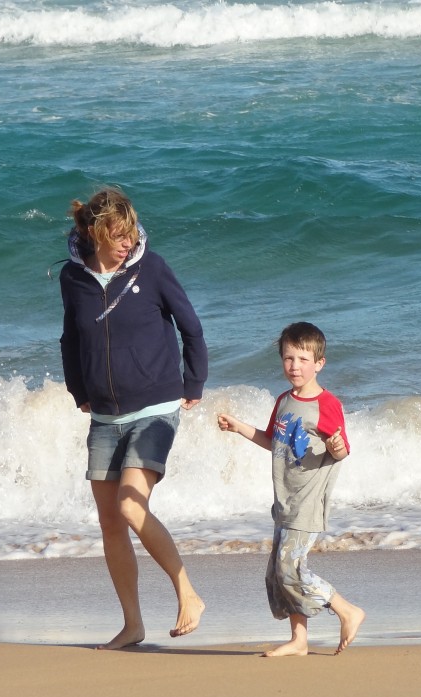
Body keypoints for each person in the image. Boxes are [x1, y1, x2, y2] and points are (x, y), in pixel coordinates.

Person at [59, 186, 207, 649]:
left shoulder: (152, 267)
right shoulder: (73, 277)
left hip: (157, 406)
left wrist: (194, 382)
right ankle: (132, 624)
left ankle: (187, 591)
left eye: (130, 232)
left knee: (129, 504)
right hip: (104, 414)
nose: (128, 241)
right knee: (109, 522)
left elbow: (190, 326)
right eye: (118, 234)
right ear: (97, 233)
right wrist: (78, 390)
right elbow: (70, 337)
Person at [218, 322, 365, 656]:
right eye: (288, 358)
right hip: (285, 500)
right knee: (277, 573)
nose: (294, 366)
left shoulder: (327, 405)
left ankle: (347, 609)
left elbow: (340, 451)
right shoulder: (284, 400)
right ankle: (299, 640)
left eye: (302, 358)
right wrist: (239, 427)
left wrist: (338, 445)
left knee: (290, 570)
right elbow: (273, 441)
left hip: (307, 502)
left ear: (319, 363)